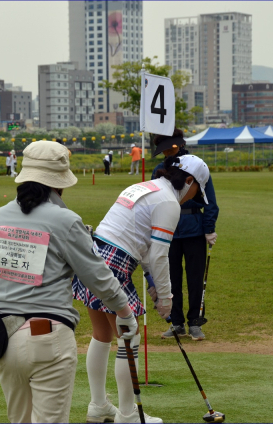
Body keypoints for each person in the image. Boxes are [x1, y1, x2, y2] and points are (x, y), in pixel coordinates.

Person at [0, 140, 138, 424]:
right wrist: (124, 312)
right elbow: (98, 277)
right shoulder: (66, 220)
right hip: (49, 338)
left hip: (2, 337)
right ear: (58, 183)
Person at [73, 152, 211, 424]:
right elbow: (160, 255)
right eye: (197, 189)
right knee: (130, 336)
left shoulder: (146, 187)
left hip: (93, 255)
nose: (194, 196)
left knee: (102, 334)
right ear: (189, 180)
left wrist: (153, 283)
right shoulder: (169, 202)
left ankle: (99, 406)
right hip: (114, 261)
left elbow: (145, 249)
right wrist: (167, 298)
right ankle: (127, 414)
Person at [151, 129, 219, 341]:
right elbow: (153, 202)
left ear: (178, 145)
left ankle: (195, 323)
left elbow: (210, 200)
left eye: (168, 148)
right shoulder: (159, 169)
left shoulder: (196, 167)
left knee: (195, 278)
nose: (165, 154)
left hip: (194, 229)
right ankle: (177, 323)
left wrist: (209, 229)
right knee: (170, 280)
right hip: (167, 231)